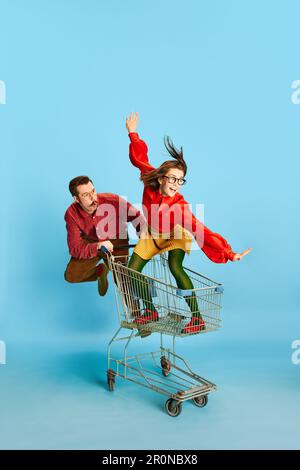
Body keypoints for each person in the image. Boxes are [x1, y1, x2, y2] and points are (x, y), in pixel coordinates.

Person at [125, 112, 252, 334]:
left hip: (175, 235)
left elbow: (202, 230)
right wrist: (133, 133)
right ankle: (151, 310)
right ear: (162, 177)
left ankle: (197, 319)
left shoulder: (179, 207)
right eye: (173, 178)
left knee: (175, 266)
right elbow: (139, 158)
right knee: (131, 271)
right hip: (153, 235)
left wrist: (229, 253)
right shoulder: (150, 181)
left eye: (181, 180)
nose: (177, 184)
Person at [64, 175, 145, 296]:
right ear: (76, 199)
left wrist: (143, 232)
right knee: (71, 276)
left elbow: (136, 216)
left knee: (123, 280)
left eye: (93, 191)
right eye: (86, 195)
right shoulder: (71, 214)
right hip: (92, 242)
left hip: (117, 239)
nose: (93, 198)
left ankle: (137, 313)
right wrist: (97, 246)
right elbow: (74, 248)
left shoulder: (112, 200)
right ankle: (100, 272)